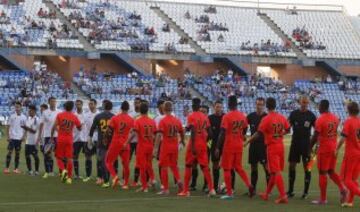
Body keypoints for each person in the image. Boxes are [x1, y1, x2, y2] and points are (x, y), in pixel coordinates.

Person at [246, 97, 290, 204]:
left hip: (272, 147)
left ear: (266, 106)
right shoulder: (281, 117)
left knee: (276, 171)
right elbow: (288, 129)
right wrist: (280, 134)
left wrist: (248, 141)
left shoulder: (266, 119)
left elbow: (258, 133)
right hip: (280, 146)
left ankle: (283, 195)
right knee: (273, 172)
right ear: (275, 105)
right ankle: (266, 194)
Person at [216, 95, 254, 200]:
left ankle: (229, 193)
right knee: (238, 167)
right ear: (236, 104)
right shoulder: (242, 116)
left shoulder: (227, 116)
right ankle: (249, 185)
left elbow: (222, 133)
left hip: (229, 145)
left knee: (227, 169)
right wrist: (242, 136)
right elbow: (246, 127)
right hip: (239, 145)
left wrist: (218, 147)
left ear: (228, 104)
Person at [310, 99, 347, 205]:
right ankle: (342, 188)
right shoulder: (335, 117)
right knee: (331, 171)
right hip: (333, 148)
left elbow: (315, 136)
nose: (318, 107)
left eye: (319, 106)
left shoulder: (320, 119)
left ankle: (323, 199)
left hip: (324, 149)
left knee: (322, 173)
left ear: (323, 107)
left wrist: (309, 148)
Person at [178, 98, 216, 197]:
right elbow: (211, 133)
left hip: (194, 145)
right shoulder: (204, 117)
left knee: (188, 166)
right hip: (203, 145)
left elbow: (193, 129)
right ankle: (211, 189)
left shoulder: (191, 116)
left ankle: (186, 190)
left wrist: (194, 145)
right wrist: (206, 141)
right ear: (199, 106)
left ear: (192, 106)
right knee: (205, 167)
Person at [287, 96, 316, 199]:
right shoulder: (293, 114)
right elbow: (287, 126)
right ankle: (290, 191)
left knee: (307, 167)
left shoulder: (311, 115)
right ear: (299, 102)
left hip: (306, 144)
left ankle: (306, 192)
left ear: (308, 103)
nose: (304, 104)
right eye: (303, 102)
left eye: (306, 102)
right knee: (291, 166)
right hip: (295, 143)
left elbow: (317, 131)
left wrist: (314, 144)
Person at [155, 101, 185, 195]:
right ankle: (179, 180)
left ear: (164, 109)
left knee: (163, 167)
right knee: (174, 166)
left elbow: (159, 135)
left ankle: (166, 189)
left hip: (166, 146)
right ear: (171, 109)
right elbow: (182, 131)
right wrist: (182, 140)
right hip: (174, 146)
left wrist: (155, 148)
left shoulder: (163, 121)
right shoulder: (177, 120)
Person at [51, 101, 81, 185]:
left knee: (58, 157)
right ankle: (69, 178)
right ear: (72, 108)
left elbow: (54, 126)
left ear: (64, 107)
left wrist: (51, 136)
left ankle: (63, 170)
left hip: (60, 139)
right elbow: (79, 128)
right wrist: (81, 125)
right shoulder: (74, 116)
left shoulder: (60, 115)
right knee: (70, 158)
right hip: (69, 140)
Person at [105, 101, 134, 189]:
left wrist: (105, 138)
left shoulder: (115, 118)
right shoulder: (131, 119)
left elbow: (109, 130)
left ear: (121, 108)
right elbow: (133, 133)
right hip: (125, 143)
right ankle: (125, 184)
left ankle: (115, 176)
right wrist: (128, 142)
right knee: (126, 165)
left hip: (116, 142)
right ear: (128, 109)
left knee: (108, 162)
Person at [336, 102, 360, 208]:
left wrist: (336, 149)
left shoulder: (349, 121)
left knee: (347, 180)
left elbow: (343, 137)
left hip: (351, 154)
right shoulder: (359, 121)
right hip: (359, 153)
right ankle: (350, 201)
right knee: (353, 179)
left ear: (349, 110)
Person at [131, 100, 157, 192]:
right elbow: (155, 135)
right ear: (147, 110)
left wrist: (127, 142)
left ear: (140, 110)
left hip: (141, 146)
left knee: (142, 167)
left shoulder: (138, 121)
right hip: (150, 146)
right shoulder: (152, 121)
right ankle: (153, 179)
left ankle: (144, 187)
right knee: (149, 165)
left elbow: (133, 134)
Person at [89, 100, 114, 188]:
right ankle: (109, 178)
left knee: (102, 161)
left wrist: (90, 139)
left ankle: (105, 180)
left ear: (104, 107)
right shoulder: (114, 117)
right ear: (111, 108)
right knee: (110, 162)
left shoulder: (98, 116)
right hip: (111, 143)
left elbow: (92, 129)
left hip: (101, 142)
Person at [247, 97, 269, 193]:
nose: (259, 106)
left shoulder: (267, 117)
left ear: (264, 105)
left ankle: (269, 189)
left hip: (263, 146)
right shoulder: (250, 116)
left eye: (261, 104)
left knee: (266, 167)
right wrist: (243, 135)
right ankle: (253, 189)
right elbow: (243, 126)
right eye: (258, 104)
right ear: (255, 105)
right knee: (253, 167)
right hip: (253, 146)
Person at [38, 97, 60, 179]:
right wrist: (40, 136)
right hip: (47, 136)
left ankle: (61, 172)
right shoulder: (45, 112)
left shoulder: (59, 112)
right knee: (47, 154)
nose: (53, 103)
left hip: (57, 136)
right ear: (49, 102)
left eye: (54, 101)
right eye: (52, 101)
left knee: (58, 154)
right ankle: (48, 172)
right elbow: (41, 123)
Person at [4, 101, 26, 174]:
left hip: (19, 138)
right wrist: (8, 136)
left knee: (17, 153)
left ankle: (16, 169)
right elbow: (7, 127)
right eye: (15, 107)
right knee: (9, 152)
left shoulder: (24, 117)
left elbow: (25, 128)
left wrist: (23, 136)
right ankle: (7, 168)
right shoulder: (12, 116)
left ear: (21, 107)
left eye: (18, 107)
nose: (16, 108)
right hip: (12, 137)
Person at [208, 100, 224, 192]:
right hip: (214, 144)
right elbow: (209, 134)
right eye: (217, 107)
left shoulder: (225, 117)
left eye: (220, 107)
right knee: (215, 164)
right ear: (214, 107)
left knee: (227, 165)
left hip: (224, 144)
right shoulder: (210, 118)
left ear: (222, 108)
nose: (218, 109)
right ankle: (215, 185)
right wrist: (208, 145)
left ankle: (229, 186)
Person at [82, 99, 98, 183]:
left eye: (91, 104)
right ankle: (88, 176)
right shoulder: (86, 115)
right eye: (89, 104)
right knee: (88, 157)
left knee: (99, 158)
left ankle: (99, 177)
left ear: (95, 104)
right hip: (88, 139)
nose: (90, 105)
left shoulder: (99, 114)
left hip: (98, 139)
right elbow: (82, 125)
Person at [22, 105, 40, 176]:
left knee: (35, 156)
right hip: (28, 141)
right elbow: (27, 130)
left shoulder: (36, 119)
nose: (29, 111)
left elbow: (34, 131)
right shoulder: (28, 119)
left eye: (30, 110)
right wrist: (24, 136)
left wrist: (25, 127)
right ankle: (30, 171)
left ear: (34, 111)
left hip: (34, 141)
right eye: (29, 110)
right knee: (27, 156)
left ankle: (36, 171)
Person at [73, 100, 87, 179]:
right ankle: (77, 174)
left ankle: (87, 175)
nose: (78, 105)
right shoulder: (73, 114)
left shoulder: (85, 114)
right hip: (75, 138)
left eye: (79, 104)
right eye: (77, 104)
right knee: (75, 156)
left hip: (84, 138)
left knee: (87, 156)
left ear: (82, 105)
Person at [129, 97, 141, 186]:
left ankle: (136, 181)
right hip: (130, 141)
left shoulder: (143, 114)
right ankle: (124, 178)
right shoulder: (131, 114)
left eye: (137, 103)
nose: (136, 104)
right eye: (135, 102)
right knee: (126, 160)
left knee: (138, 161)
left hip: (139, 142)